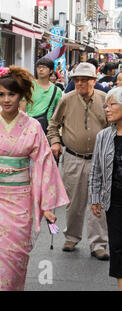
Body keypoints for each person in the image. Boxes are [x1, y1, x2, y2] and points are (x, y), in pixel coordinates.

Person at [0, 66, 69, 291]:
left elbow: (45, 163)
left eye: (11, 94)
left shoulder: (33, 126)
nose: (6, 100)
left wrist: (46, 204)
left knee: (16, 259)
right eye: (1, 94)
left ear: (22, 95)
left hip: (21, 200)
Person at [47, 62, 110, 260]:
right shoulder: (66, 99)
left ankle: (98, 243)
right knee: (74, 201)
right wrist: (55, 142)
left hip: (99, 160)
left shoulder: (105, 99)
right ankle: (72, 237)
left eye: (85, 80)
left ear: (94, 81)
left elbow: (114, 126)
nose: (80, 83)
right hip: (73, 157)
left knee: (97, 201)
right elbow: (53, 125)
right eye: (77, 80)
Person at [89, 87, 122, 291]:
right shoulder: (103, 136)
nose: (107, 109)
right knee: (118, 248)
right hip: (115, 201)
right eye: (106, 105)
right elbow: (96, 171)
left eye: (112, 104)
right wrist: (95, 198)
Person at [26, 57, 63, 134]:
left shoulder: (57, 90)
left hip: (47, 130)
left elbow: (59, 112)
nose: (41, 69)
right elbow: (22, 108)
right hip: (29, 127)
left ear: (51, 71)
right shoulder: (29, 86)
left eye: (44, 67)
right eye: (39, 67)